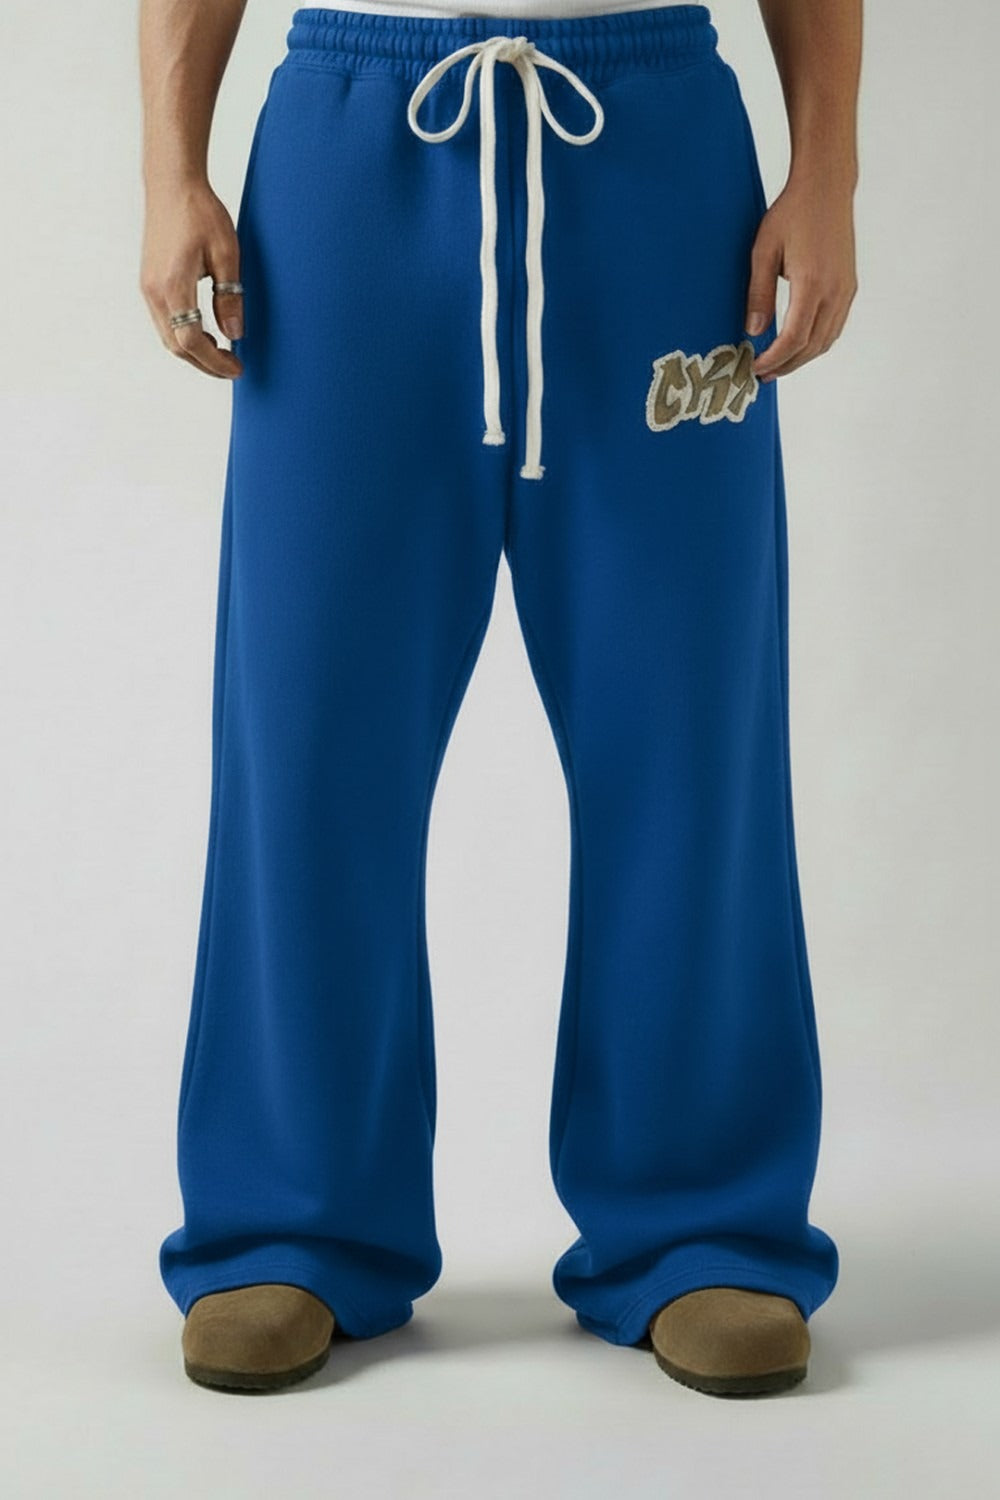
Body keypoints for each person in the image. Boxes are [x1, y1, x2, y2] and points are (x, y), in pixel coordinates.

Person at [139, 0, 861, 1397]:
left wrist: (824, 170)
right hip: (351, 149)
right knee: (309, 731)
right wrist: (173, 167)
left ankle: (702, 1224)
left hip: (656, 164)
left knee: (687, 730)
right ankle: (290, 1221)